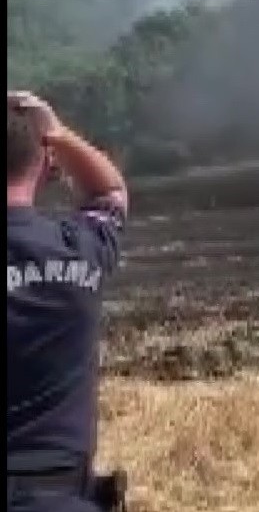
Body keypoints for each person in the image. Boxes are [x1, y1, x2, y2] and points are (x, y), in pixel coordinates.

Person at [7, 91, 129, 512]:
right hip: (63, 497)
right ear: (45, 164)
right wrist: (55, 131)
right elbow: (110, 191)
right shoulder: (79, 248)